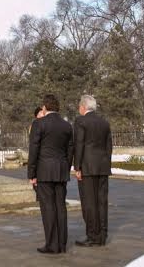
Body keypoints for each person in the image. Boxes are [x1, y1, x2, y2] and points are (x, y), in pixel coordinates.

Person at [27, 94, 73, 255]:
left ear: (45, 107)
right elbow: (70, 150)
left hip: (44, 171)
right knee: (60, 206)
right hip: (61, 170)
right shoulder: (67, 126)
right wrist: (65, 168)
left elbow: (34, 150)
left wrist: (31, 173)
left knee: (48, 207)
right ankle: (62, 244)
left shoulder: (39, 123)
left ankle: (52, 244)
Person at [73, 94, 113, 247]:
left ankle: (92, 235)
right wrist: (106, 163)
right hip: (102, 167)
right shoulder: (104, 122)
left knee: (89, 203)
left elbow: (79, 144)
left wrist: (77, 167)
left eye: (79, 106)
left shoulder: (80, 121)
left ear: (83, 107)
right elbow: (109, 146)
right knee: (102, 202)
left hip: (87, 168)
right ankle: (102, 235)